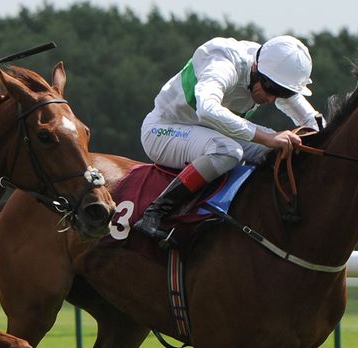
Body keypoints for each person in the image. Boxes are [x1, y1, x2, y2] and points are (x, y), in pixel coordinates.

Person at [133, 35, 325, 240]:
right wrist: (267, 137)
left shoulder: (273, 69)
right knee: (229, 151)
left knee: (281, 150)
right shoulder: (223, 62)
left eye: (282, 94)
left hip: (213, 133)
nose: (271, 99)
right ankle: (154, 213)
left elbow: (311, 119)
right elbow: (207, 110)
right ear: (256, 69)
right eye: (271, 90)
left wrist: (324, 138)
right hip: (163, 130)